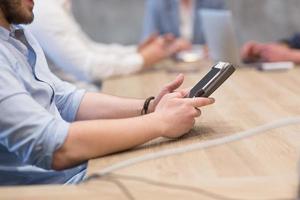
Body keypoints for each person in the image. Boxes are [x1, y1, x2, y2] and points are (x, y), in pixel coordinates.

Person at [0, 0, 215, 185]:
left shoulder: (17, 34)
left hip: (81, 169)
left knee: (186, 161)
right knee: (185, 173)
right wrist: (159, 122)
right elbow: (52, 147)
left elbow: (65, 99)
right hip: (63, 185)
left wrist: (150, 107)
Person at [27, 0, 181, 89]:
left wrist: (137, 51)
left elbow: (90, 48)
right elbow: (89, 68)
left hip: (87, 96)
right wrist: (142, 59)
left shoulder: (55, 6)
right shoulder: (45, 11)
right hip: (80, 103)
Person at [142, 0, 225, 49]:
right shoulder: (158, 2)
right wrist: (171, 45)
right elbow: (145, 44)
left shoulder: (214, 2)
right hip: (168, 65)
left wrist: (214, 46)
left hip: (204, 65)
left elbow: (223, 40)